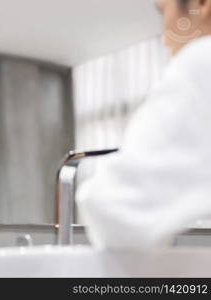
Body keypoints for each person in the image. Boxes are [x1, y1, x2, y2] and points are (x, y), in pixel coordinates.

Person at [77, 0, 211, 248]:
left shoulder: (202, 61)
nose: (164, 38)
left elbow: (118, 213)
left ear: (201, 4)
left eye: (164, 12)